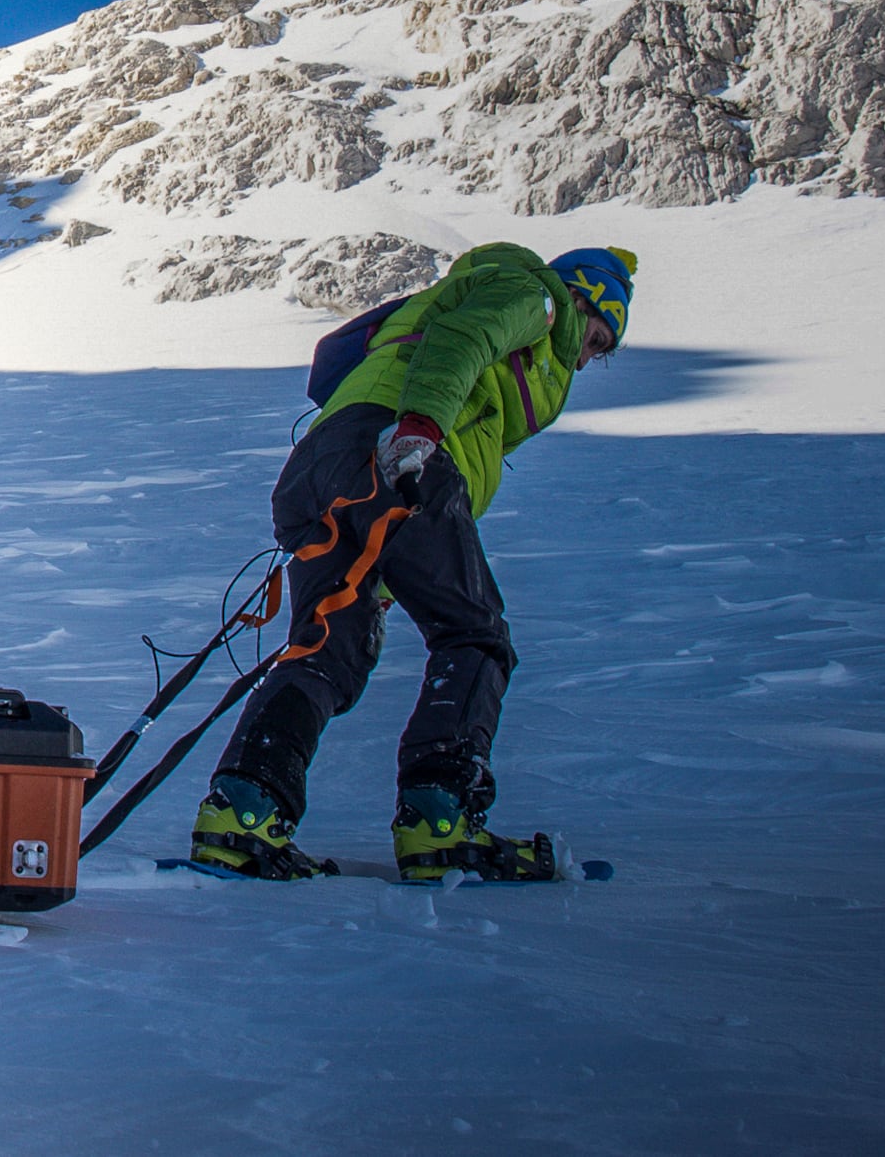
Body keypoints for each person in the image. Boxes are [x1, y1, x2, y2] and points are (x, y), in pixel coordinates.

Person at [190, 244, 639, 883]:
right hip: (397, 456)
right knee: (474, 634)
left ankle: (242, 813)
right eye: (596, 336)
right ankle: (440, 821)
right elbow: (463, 336)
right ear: (579, 299)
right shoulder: (531, 298)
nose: (589, 355)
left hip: (331, 464)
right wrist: (422, 430)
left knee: (328, 649)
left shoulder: (511, 314)